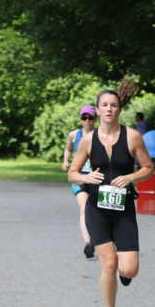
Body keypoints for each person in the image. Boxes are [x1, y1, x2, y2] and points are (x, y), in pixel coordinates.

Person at [68, 77, 154, 307]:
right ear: (97, 109)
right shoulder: (86, 140)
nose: (108, 109)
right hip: (97, 209)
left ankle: (125, 273)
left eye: (113, 105)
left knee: (129, 269)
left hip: (124, 209)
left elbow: (149, 168)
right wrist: (84, 177)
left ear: (119, 109)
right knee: (109, 265)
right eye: (104, 105)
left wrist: (130, 177)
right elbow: (72, 173)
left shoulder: (133, 137)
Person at [62, 106, 98, 258]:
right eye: (84, 118)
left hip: (97, 178)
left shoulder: (101, 134)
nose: (87, 121)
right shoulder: (73, 135)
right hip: (79, 177)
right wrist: (66, 161)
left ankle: (100, 239)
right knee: (84, 208)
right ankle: (88, 243)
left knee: (98, 210)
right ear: (80, 119)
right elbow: (69, 149)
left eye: (90, 117)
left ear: (96, 119)